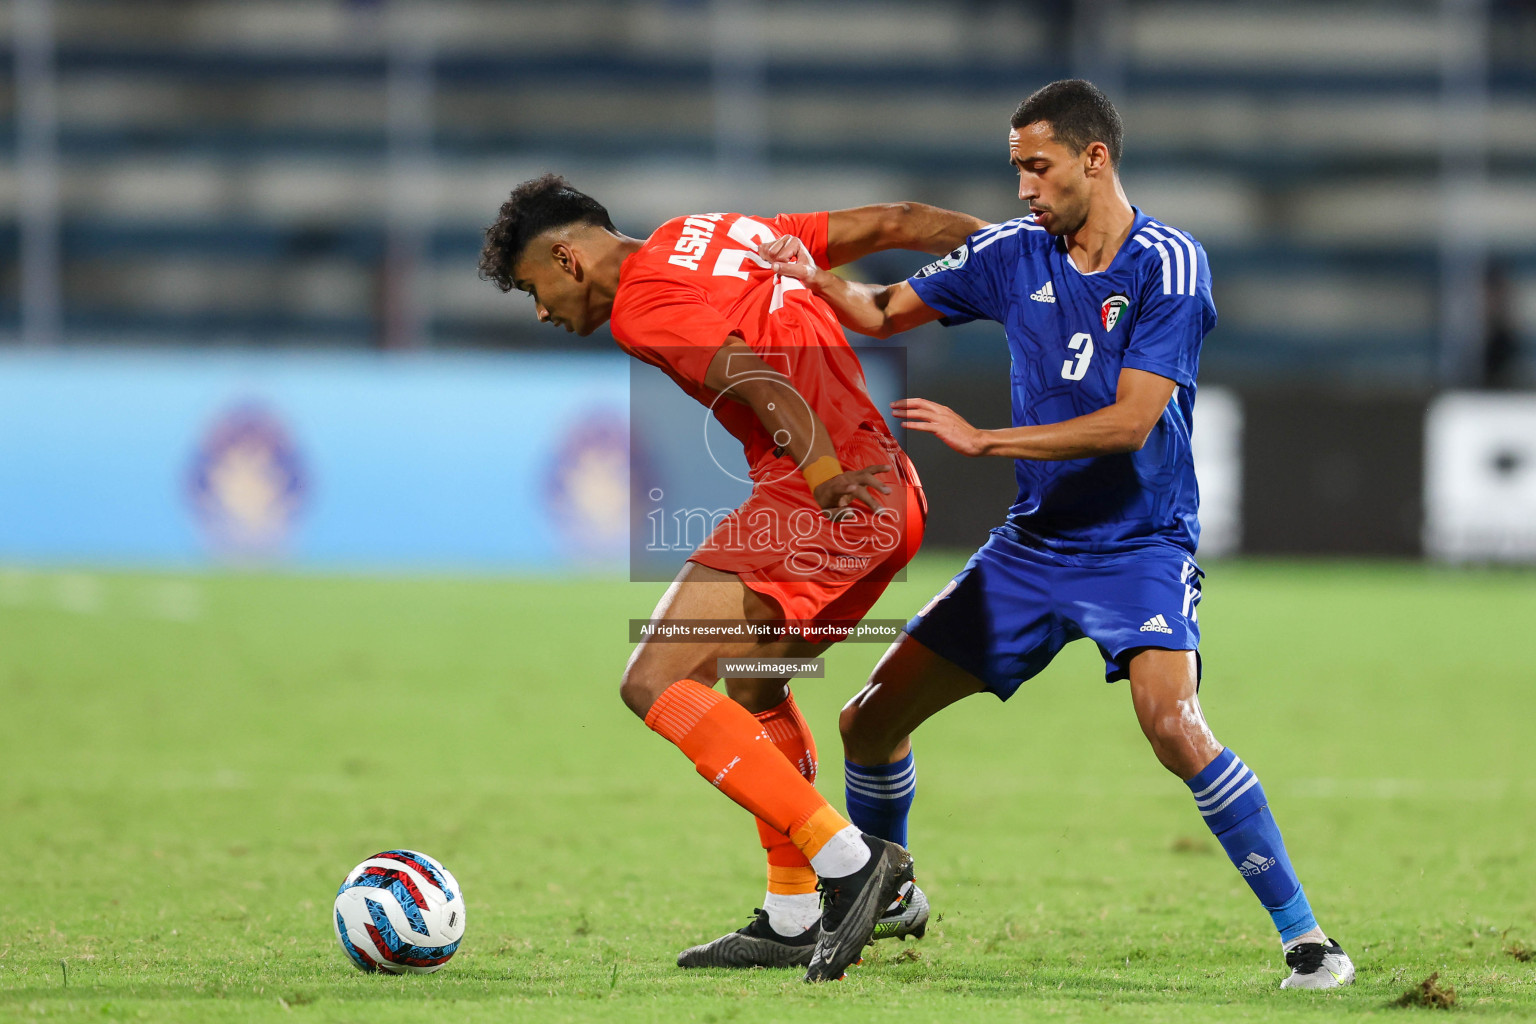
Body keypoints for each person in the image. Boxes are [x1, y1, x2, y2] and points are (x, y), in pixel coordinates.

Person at [759, 79, 1355, 990]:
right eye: (1017, 170)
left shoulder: (1169, 265)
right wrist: (817, 283)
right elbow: (882, 312)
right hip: (1033, 550)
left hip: (1140, 547)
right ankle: (891, 891)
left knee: (1172, 723)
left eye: (1037, 168)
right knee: (868, 722)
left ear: (1094, 158)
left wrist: (985, 437)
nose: (1025, 188)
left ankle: (1309, 941)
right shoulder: (1010, 254)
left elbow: (1130, 423)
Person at [478, 176, 983, 982]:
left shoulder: (643, 306)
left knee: (654, 679)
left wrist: (818, 473)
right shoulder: (710, 230)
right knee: (755, 686)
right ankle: (791, 915)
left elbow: (756, 378)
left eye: (534, 288)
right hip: (889, 493)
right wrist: (1024, 256)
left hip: (829, 492)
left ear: (567, 257)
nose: (541, 310)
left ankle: (853, 865)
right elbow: (900, 220)